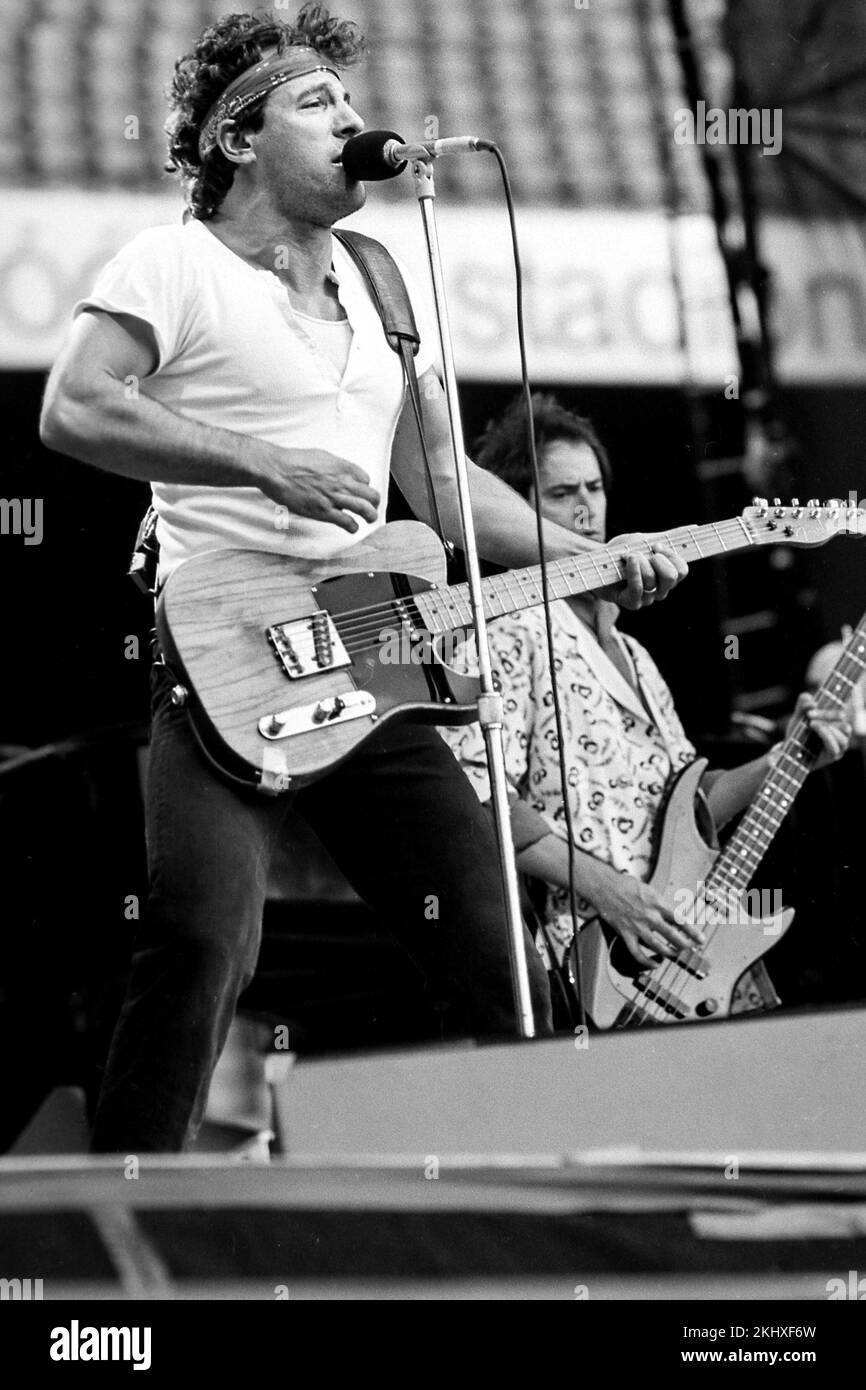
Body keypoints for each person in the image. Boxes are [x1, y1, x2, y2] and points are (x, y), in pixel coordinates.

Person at [38, 10, 688, 1151]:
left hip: (364, 644)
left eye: (347, 100)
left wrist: (586, 557)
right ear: (238, 141)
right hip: (226, 647)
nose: (352, 121)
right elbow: (75, 406)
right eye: (315, 104)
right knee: (201, 937)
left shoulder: (383, 280)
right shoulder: (173, 263)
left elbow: (441, 483)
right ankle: (121, 1211)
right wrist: (260, 464)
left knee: (499, 947)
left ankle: (556, 1201)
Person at [442, 393, 851, 1006]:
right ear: (513, 510)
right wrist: (611, 892)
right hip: (593, 957)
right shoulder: (508, 628)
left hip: (682, 952)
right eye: (561, 493)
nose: (585, 507)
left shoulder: (635, 655)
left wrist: (785, 757)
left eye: (594, 487)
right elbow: (476, 798)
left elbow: (690, 803)